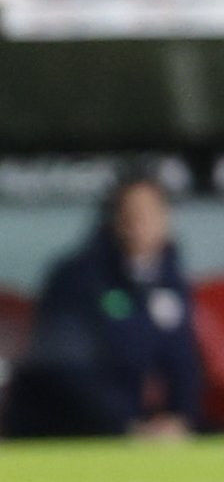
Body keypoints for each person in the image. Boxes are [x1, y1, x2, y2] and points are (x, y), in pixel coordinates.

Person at [1, 166, 204, 440]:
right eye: (130, 212)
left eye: (150, 212)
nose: (139, 222)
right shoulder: (76, 278)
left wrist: (179, 418)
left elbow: (182, 360)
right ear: (114, 219)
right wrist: (126, 425)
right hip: (63, 427)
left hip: (126, 427)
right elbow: (70, 370)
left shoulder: (169, 279)